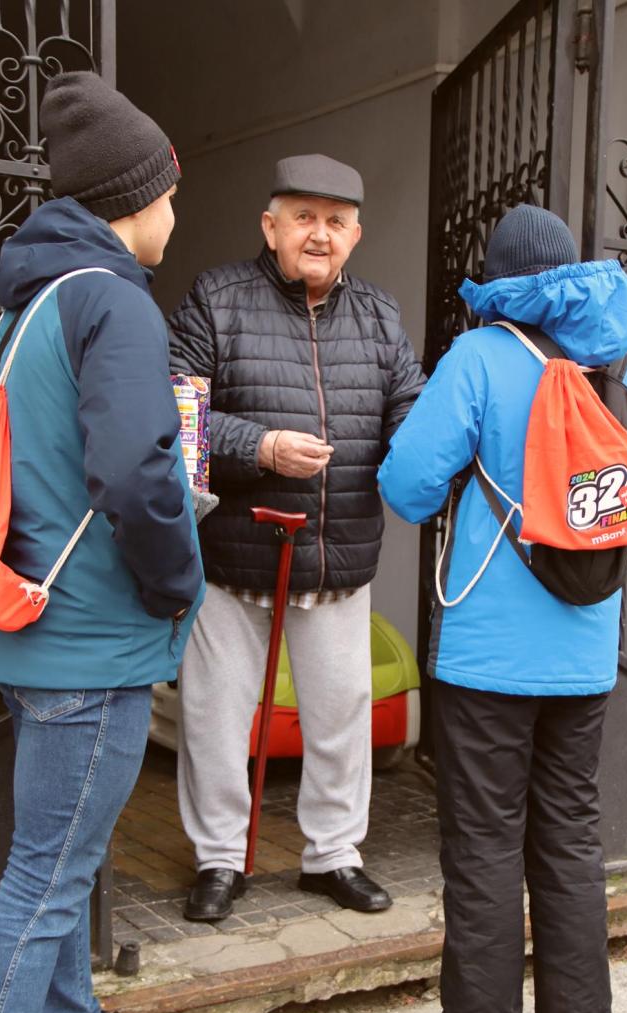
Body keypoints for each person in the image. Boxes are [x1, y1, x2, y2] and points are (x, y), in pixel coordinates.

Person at [0, 72, 205, 1013]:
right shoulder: (115, 302)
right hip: (90, 639)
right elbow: (137, 472)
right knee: (45, 879)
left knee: (60, 862)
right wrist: (179, 580)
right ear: (133, 197)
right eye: (170, 192)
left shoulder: (22, 313)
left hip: (33, 624)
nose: (176, 211)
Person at [377, 205, 627, 1013]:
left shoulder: (480, 358)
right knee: (571, 841)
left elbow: (406, 486)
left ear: (499, 284)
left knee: (484, 847)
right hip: (585, 657)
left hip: (486, 657)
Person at [168, 154, 425, 921]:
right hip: (233, 555)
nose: (320, 234)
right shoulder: (217, 298)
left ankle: (333, 856)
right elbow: (178, 414)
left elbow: (410, 409)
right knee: (215, 717)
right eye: (304, 217)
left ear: (356, 235)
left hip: (338, 554)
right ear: (270, 225)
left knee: (342, 716)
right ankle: (219, 858)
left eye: (336, 221)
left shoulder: (379, 314)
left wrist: (423, 453)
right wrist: (261, 447)